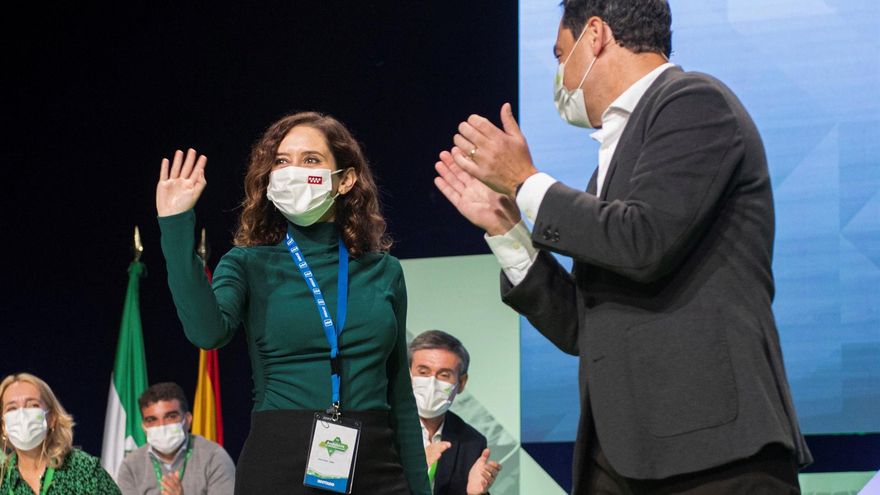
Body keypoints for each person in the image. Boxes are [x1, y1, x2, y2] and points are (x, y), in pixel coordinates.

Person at [433, 0, 812, 493]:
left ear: (596, 35)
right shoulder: (606, 169)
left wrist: (525, 182)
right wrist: (509, 232)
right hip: (623, 458)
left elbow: (643, 242)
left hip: (712, 455)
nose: (560, 76)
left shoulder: (696, 102)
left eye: (559, 53)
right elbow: (580, 327)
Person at [155, 111, 429, 494]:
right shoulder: (248, 262)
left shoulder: (384, 271)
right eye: (282, 161)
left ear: (346, 179)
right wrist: (175, 224)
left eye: (310, 160)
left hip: (377, 465)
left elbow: (399, 392)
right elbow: (206, 332)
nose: (292, 171)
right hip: (280, 464)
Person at [408, 330, 501, 495]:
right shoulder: (382, 429)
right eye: (423, 372)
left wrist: (474, 494)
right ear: (408, 375)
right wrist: (415, 472)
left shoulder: (472, 442)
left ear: (462, 383)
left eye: (444, 375)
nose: (432, 383)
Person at [0, 373, 121, 494]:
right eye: (12, 408)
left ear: (52, 418)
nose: (22, 416)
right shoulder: (2, 480)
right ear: (3, 425)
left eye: (33, 405)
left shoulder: (84, 469)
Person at [116, 382, 235, 495]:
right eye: (152, 420)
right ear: (144, 427)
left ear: (187, 420)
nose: (161, 426)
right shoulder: (130, 465)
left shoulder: (214, 457)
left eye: (170, 417)